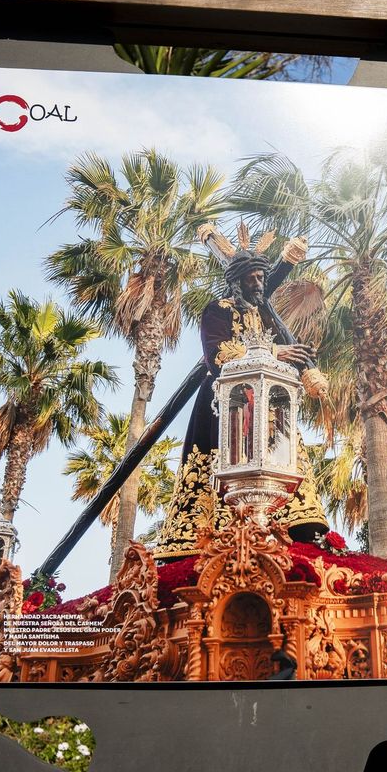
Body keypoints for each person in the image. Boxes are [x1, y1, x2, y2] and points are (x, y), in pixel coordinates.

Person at [156, 232, 330, 557]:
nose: (259, 284)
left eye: (262, 277)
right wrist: (275, 351)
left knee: (285, 456)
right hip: (227, 404)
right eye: (252, 278)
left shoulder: (262, 313)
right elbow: (217, 354)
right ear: (237, 282)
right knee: (221, 463)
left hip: (269, 403)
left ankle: (295, 529)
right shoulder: (216, 311)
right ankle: (219, 532)